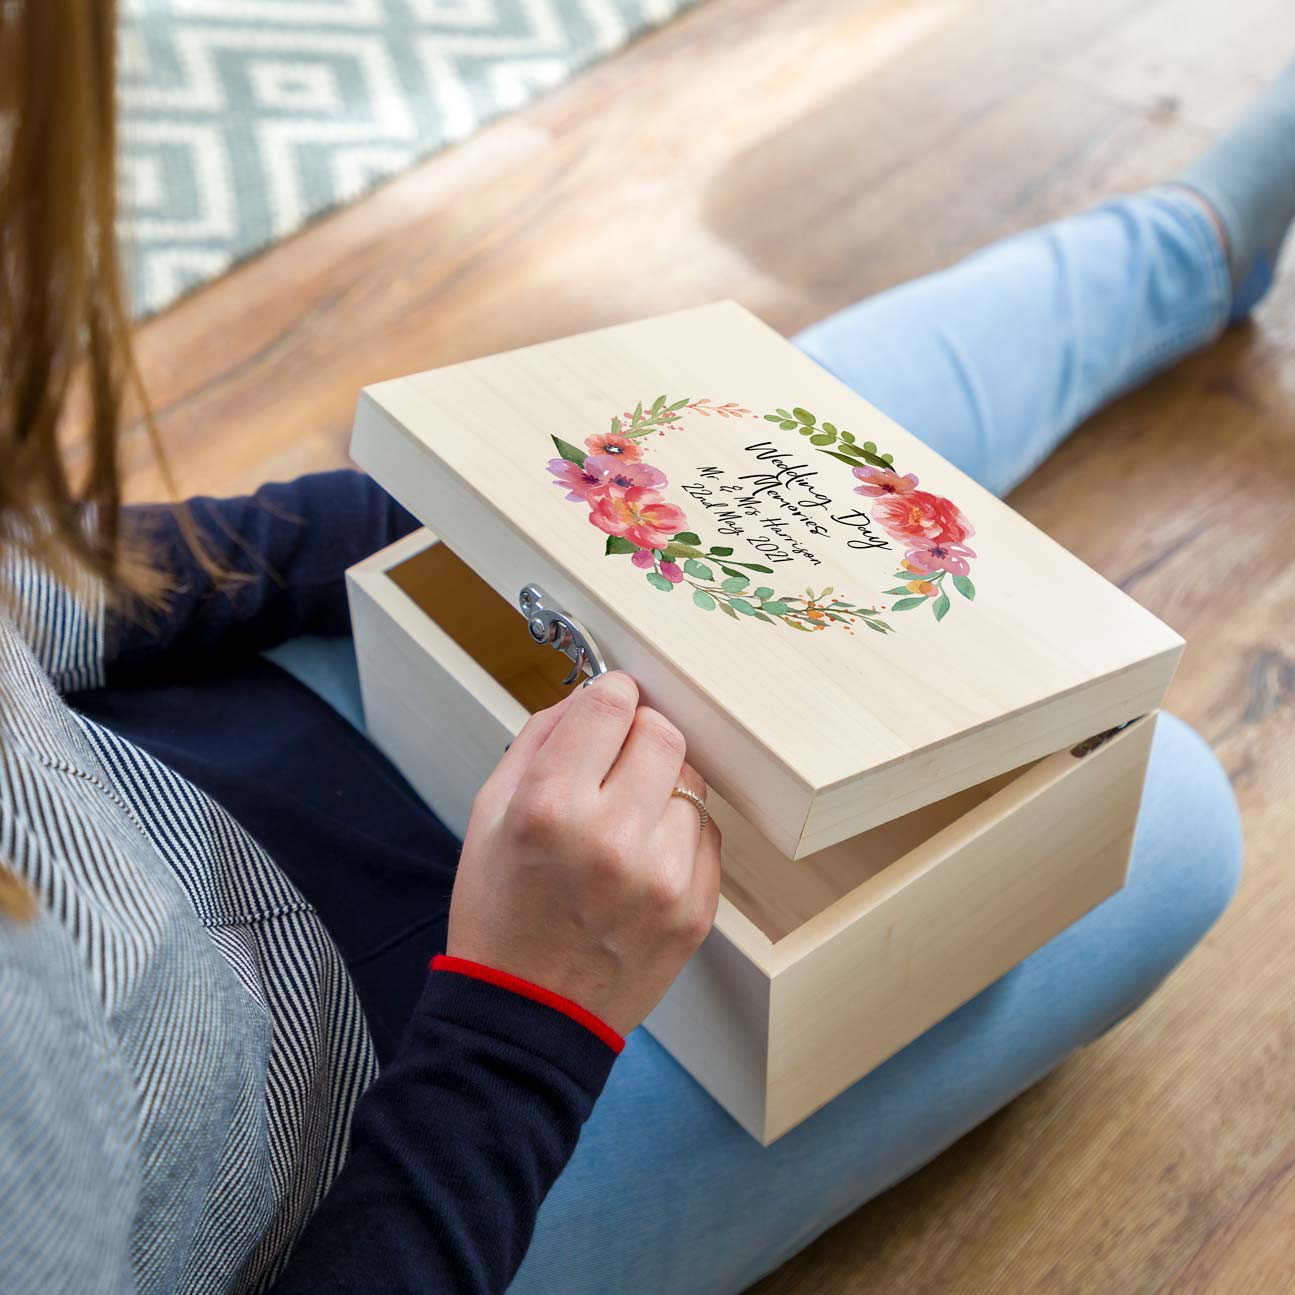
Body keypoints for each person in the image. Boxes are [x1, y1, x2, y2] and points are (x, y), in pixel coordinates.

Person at [1, 0, 1289, 1285]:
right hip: (385, 1135)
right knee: (1152, 814)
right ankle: (1191, 243)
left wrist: (435, 503)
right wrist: (527, 1021)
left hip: (200, 742)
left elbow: (37, 584)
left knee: (784, 439)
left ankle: (1191, 243)